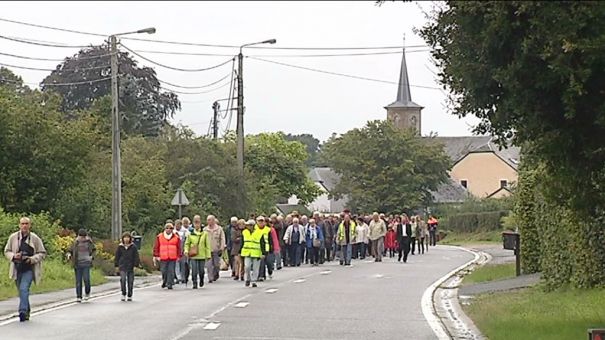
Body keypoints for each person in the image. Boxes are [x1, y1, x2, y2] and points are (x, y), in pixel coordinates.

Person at [4, 217, 47, 322]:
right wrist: (14, 256)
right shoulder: (13, 237)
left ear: (30, 225)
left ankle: (22, 311)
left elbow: (42, 253)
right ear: (19, 225)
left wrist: (31, 259)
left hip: (29, 269)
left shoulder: (35, 238)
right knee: (21, 291)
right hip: (17, 268)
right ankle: (27, 310)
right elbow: (6, 251)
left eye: (26, 224)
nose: (24, 226)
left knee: (24, 289)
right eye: (22, 224)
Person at [69, 228, 96, 303]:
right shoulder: (75, 242)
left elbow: (94, 250)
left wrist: (92, 257)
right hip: (77, 263)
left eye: (83, 237)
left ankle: (87, 292)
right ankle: (79, 296)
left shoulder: (89, 242)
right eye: (81, 236)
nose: (82, 238)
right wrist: (69, 255)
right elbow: (70, 250)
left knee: (86, 279)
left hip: (86, 263)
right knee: (78, 281)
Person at [184, 215, 211, 289]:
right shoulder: (190, 234)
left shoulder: (204, 234)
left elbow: (207, 245)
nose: (197, 224)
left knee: (201, 270)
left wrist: (208, 255)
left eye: (198, 222)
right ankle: (194, 282)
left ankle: (201, 279)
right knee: (194, 270)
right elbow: (187, 244)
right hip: (193, 255)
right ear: (193, 224)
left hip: (202, 255)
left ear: (200, 223)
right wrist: (186, 251)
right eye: (195, 223)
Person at [153, 222, 181, 290]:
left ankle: (169, 283)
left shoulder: (176, 237)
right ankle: (165, 281)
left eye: (171, 228)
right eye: (167, 228)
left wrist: (179, 256)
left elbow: (179, 247)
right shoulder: (159, 236)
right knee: (164, 271)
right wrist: (156, 255)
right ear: (165, 229)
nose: (169, 229)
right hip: (163, 257)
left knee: (171, 271)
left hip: (172, 257)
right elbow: (156, 246)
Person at [114, 232, 140, 301]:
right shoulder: (120, 247)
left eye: (127, 237)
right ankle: (123, 293)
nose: (126, 239)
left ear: (130, 238)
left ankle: (130, 294)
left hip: (130, 266)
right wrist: (116, 265)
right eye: (125, 237)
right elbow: (117, 256)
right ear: (122, 239)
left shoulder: (133, 247)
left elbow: (136, 257)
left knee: (130, 281)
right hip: (122, 265)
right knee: (122, 279)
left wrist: (135, 265)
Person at [241, 219, 267, 288]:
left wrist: (263, 253)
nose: (247, 226)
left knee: (256, 268)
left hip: (256, 253)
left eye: (249, 225)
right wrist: (239, 252)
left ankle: (254, 281)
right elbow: (242, 242)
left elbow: (262, 243)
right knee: (247, 267)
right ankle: (248, 279)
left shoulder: (259, 232)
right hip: (247, 253)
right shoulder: (244, 232)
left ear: (252, 226)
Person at [204, 215, 226, 283]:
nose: (208, 221)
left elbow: (222, 238)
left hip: (216, 249)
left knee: (216, 265)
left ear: (213, 221)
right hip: (207, 250)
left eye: (210, 220)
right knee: (209, 265)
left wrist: (222, 247)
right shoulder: (205, 229)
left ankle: (216, 274)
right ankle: (210, 277)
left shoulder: (219, 229)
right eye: (207, 220)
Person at [255, 216, 273, 281]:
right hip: (258, 248)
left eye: (262, 221)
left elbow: (270, 239)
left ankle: (270, 272)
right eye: (259, 221)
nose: (261, 223)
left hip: (267, 248)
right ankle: (261, 275)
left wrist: (271, 248)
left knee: (269, 263)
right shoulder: (254, 229)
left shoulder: (267, 229)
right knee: (261, 263)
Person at [174, 219, 190, 284]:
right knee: (176, 264)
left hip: (183, 250)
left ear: (181, 225)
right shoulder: (173, 231)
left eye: (178, 225)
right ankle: (178, 277)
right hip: (175, 251)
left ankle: (183, 277)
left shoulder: (185, 231)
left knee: (183, 264)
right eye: (176, 225)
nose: (177, 226)